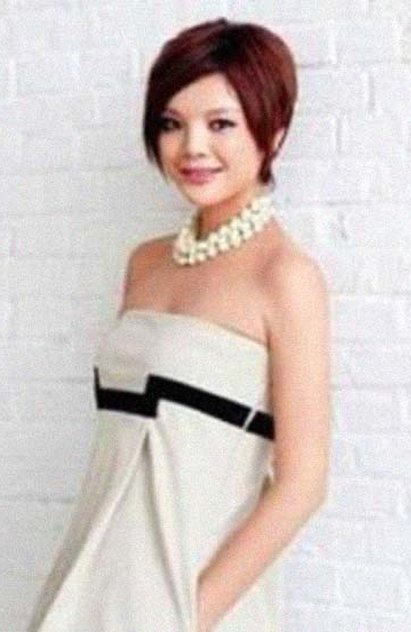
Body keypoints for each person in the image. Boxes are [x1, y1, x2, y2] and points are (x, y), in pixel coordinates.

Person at [27, 17, 331, 632]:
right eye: (171, 123)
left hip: (190, 602)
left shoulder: (285, 277)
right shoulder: (145, 263)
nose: (192, 147)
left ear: (273, 129)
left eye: (220, 123)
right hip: (93, 582)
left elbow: (302, 483)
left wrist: (188, 615)